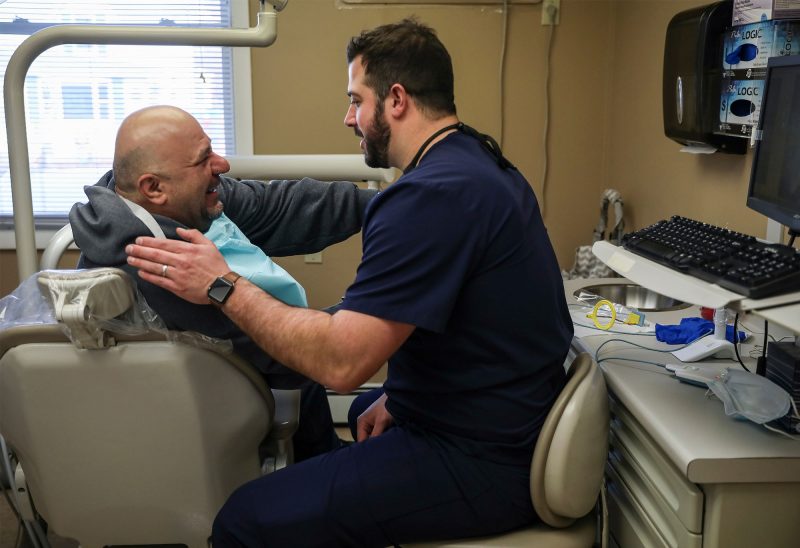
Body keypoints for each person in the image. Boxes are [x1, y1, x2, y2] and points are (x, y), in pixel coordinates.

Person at [125, 18, 573, 547]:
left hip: (484, 459)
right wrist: (405, 397)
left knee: (244, 519)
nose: (349, 117)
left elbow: (340, 365)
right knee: (366, 409)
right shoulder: (479, 161)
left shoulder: (428, 200)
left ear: (397, 100)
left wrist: (220, 284)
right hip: (505, 413)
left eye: (356, 100)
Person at [69, 105, 377, 461]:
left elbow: (277, 206)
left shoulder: (167, 202)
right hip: (207, 427)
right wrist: (366, 309)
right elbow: (298, 354)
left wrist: (392, 205)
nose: (222, 165)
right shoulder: (156, 266)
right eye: (204, 160)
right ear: (153, 187)